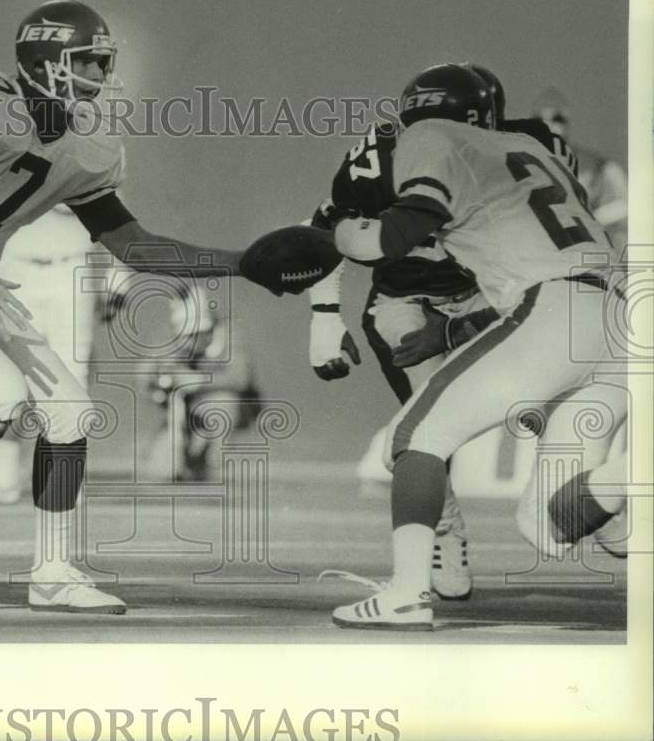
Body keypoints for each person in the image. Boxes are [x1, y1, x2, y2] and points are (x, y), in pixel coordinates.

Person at [0, 0, 248, 613]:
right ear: (48, 60)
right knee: (1, 396)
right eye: (89, 62)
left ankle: (54, 571)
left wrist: (240, 261)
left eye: (103, 63)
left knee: (70, 412)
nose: (100, 75)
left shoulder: (90, 143)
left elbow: (133, 244)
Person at [323, 64, 626, 630]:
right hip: (618, 319)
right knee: (548, 525)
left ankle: (407, 594)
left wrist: (337, 231)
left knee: (411, 438)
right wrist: (448, 330)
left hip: (556, 309)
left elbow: (392, 237)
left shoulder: (429, 137)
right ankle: (629, 475)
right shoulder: (532, 148)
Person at [0, 205, 98, 505]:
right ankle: (2, 475)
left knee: (71, 375)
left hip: (71, 268)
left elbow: (109, 209)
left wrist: (118, 278)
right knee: (1, 370)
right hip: (11, 266)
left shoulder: (94, 157)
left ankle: (65, 476)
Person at [143, 283, 260, 482]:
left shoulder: (228, 336)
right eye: (188, 336)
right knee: (160, 470)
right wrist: (163, 382)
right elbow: (145, 379)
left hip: (219, 406)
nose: (195, 341)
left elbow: (240, 378)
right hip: (180, 411)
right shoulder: (169, 340)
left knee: (223, 405)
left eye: (200, 333)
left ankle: (213, 458)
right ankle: (187, 453)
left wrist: (197, 381)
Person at [533, 87, 627, 253]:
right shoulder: (519, 168)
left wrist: (591, 222)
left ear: (568, 123)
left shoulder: (599, 168)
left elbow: (627, 207)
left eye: (557, 118)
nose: (548, 125)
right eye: (539, 119)